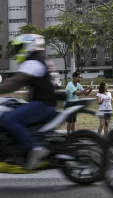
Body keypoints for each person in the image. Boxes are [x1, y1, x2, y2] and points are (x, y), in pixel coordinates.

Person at [0, 34, 57, 170]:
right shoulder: (39, 60)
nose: (17, 52)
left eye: (19, 48)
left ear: (28, 46)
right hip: (43, 103)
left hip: (42, 105)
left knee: (9, 120)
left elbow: (14, 83)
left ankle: (35, 149)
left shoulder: (33, 63)